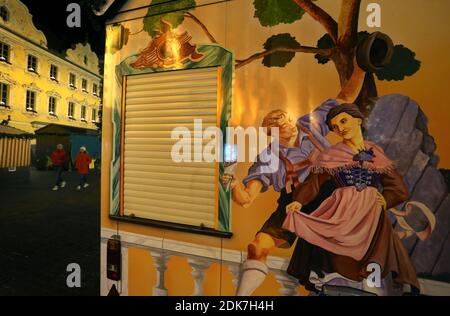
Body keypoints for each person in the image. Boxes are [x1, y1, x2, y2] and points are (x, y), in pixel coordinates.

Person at [224, 58, 366, 296]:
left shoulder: (311, 124)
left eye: (288, 120)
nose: (289, 126)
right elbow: (246, 199)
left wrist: (361, 67)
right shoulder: (268, 156)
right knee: (257, 246)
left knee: (330, 260)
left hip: (326, 197)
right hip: (291, 205)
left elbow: (345, 97)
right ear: (271, 133)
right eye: (280, 126)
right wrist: (233, 182)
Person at [282, 104, 420, 294]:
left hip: (369, 214)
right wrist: (299, 200)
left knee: (372, 253)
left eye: (344, 121)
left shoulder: (376, 153)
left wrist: (385, 200)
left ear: (358, 120)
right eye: (335, 127)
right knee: (328, 242)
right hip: (341, 209)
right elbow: (314, 183)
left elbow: (398, 188)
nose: (341, 128)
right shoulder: (330, 155)